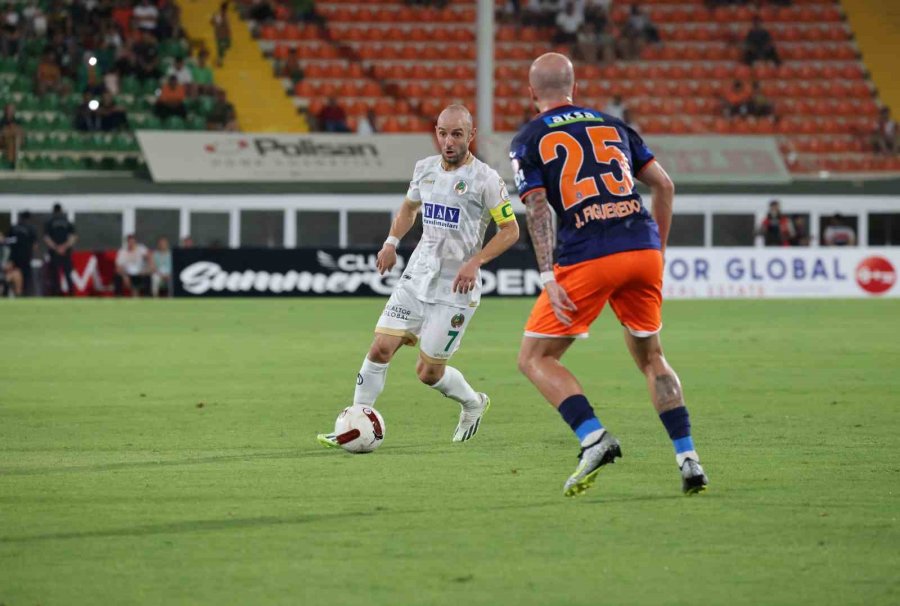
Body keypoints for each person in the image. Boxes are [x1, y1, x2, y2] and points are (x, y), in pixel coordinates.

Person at [511, 53, 708, 497]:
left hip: (588, 253)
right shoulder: (613, 124)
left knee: (535, 358)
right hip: (641, 246)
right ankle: (688, 457)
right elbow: (665, 185)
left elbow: (537, 207)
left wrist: (547, 274)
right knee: (652, 357)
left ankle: (593, 437)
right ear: (574, 87)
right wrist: (656, 249)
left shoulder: (529, 138)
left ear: (531, 93)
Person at [317, 104, 520, 447]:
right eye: (443, 133)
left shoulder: (486, 179)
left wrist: (476, 262)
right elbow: (409, 208)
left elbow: (510, 230)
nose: (448, 140)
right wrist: (391, 242)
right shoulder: (424, 170)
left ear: (471, 135)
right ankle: (352, 424)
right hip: (417, 278)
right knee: (381, 348)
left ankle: (473, 403)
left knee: (428, 374)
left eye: (457, 134)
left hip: (456, 288)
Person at [43, 203, 77, 296]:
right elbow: (73, 237)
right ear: (61, 210)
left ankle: (56, 293)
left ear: (53, 211)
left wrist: (56, 247)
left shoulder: (49, 222)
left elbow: (46, 238)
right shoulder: (67, 222)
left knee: (55, 274)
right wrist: (64, 247)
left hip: (54, 252)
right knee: (67, 273)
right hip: (65, 252)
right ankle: (71, 293)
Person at [6, 211, 37, 295]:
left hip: (14, 257)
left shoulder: (14, 228)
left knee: (13, 275)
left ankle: (14, 292)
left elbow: (8, 242)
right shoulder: (31, 229)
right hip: (26, 257)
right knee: (25, 277)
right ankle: (24, 293)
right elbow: (34, 246)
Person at [211, 2, 231, 67]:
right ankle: (219, 61)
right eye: (225, 9)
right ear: (222, 8)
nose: (226, 10)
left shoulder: (226, 15)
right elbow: (213, 23)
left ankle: (220, 59)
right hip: (220, 35)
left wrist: (228, 31)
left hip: (225, 34)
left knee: (228, 45)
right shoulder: (218, 15)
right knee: (220, 49)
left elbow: (227, 25)